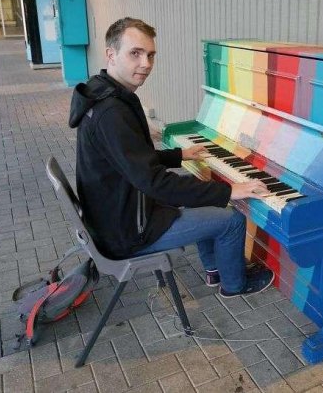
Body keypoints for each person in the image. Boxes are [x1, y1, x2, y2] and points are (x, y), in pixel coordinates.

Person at [68, 17, 274, 298]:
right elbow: (154, 182)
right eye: (135, 53)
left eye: (151, 55)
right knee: (231, 219)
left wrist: (179, 155)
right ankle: (235, 285)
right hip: (129, 232)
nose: (146, 64)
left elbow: (130, 159)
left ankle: (215, 269)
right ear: (111, 55)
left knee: (196, 188)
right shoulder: (112, 113)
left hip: (118, 214)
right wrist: (229, 190)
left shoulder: (105, 93)